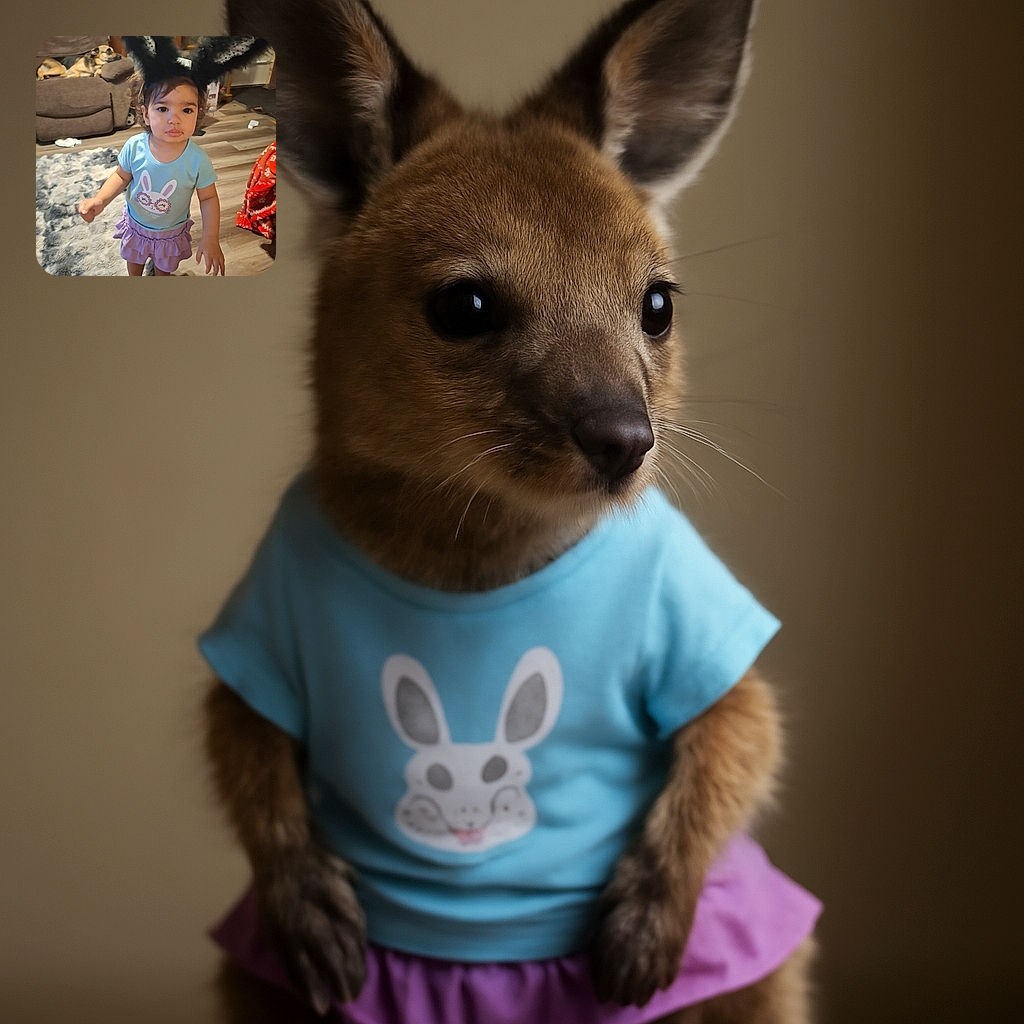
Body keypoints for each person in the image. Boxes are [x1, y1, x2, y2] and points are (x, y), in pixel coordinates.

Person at [77, 36, 268, 276]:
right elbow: (121, 177)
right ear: (146, 114)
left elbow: (208, 199)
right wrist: (100, 200)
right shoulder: (135, 146)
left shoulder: (197, 160)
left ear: (199, 113)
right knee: (133, 263)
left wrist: (210, 238)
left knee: (164, 271)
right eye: (163, 108)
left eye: (186, 109)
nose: (174, 118)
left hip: (170, 233)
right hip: (137, 225)